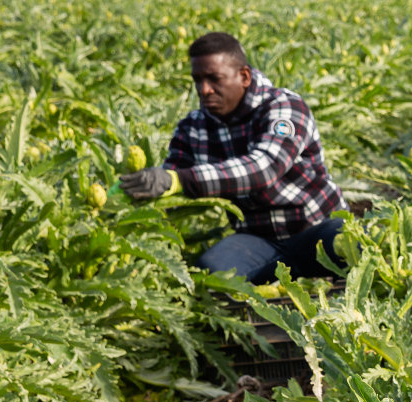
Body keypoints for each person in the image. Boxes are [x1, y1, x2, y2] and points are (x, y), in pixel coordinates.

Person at [118, 32, 345, 284]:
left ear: (244, 77)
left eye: (214, 79)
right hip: (257, 240)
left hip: (315, 228)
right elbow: (169, 189)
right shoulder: (193, 127)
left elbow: (264, 167)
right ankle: (281, 288)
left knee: (348, 243)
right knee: (214, 273)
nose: (204, 90)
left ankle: (320, 282)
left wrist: (179, 180)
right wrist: (123, 202)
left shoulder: (285, 108)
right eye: (198, 80)